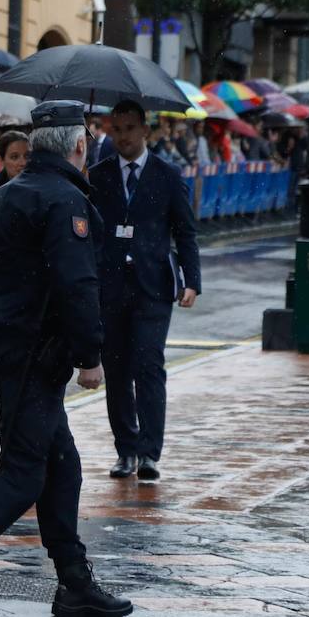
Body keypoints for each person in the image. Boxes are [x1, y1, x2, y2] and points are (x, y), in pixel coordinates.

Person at [0, 100, 131, 617]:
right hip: (37, 349)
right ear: (79, 146)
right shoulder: (65, 201)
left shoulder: (9, 193)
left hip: (8, 342)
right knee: (24, 470)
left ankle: (75, 584)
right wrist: (90, 355)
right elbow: (76, 284)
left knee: (62, 465)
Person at [88, 100, 201, 481]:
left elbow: (185, 231)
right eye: (115, 129)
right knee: (117, 370)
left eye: (129, 128)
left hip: (153, 286)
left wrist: (192, 281)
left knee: (149, 365)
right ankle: (126, 450)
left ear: (145, 130)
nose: (122, 137)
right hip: (111, 286)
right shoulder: (98, 175)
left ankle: (150, 452)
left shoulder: (168, 175)